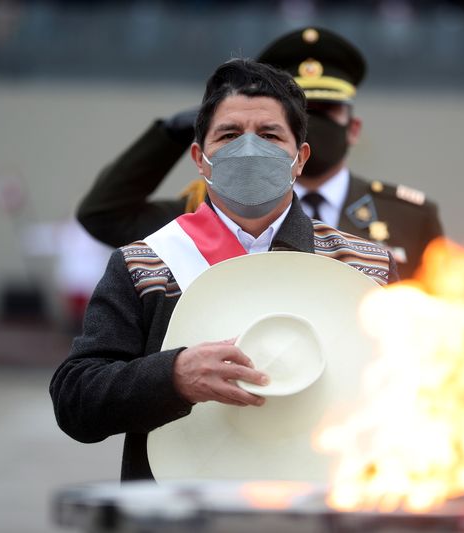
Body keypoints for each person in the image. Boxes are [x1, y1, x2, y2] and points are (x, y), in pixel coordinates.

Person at [50, 58, 397, 481]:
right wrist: (171, 377)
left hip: (320, 505)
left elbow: (404, 399)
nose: (249, 149)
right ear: (200, 157)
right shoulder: (146, 262)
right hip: (177, 511)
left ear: (300, 157)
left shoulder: (364, 267)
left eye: (270, 135)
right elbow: (75, 401)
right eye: (229, 135)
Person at [76, 27, 443, 280]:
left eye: (324, 111)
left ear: (353, 128)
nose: (311, 121)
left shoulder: (409, 216)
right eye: (301, 111)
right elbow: (104, 216)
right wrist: (169, 134)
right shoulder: (211, 210)